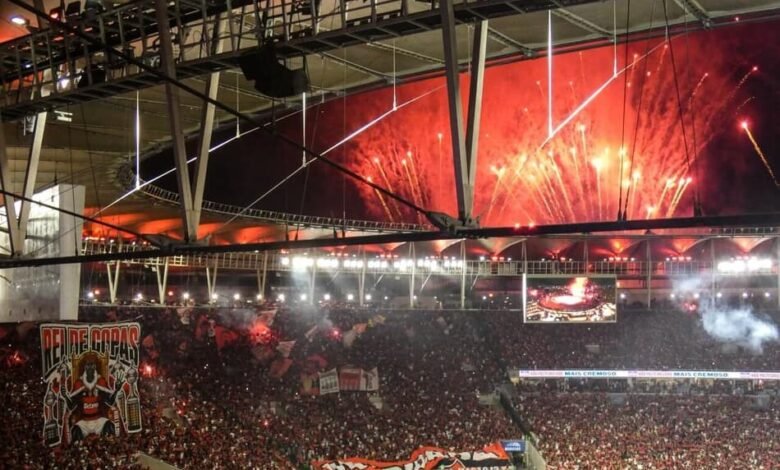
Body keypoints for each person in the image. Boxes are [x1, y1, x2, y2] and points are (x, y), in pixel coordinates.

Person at [60, 351, 125, 442]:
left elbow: (110, 402)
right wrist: (65, 396)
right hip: (84, 421)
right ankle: (79, 453)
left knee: (110, 426)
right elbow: (71, 406)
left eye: (92, 365)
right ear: (84, 367)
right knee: (75, 432)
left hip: (98, 420)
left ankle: (109, 451)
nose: (90, 367)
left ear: (95, 367)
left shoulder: (100, 381)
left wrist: (116, 390)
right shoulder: (79, 383)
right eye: (88, 365)